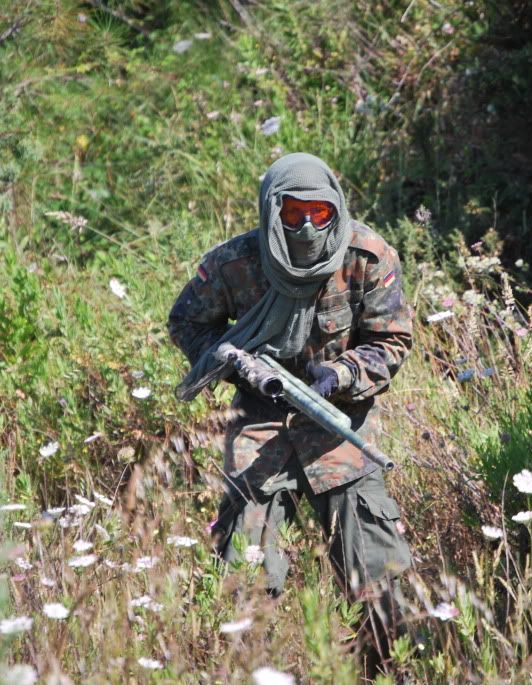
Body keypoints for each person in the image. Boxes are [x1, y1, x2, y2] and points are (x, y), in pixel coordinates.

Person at [168, 152, 413, 669]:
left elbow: (392, 341)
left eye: (319, 214)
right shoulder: (234, 263)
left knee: (379, 578)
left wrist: (340, 375)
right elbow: (188, 322)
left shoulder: (366, 255)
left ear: (336, 209)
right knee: (244, 581)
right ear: (271, 211)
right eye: (292, 213)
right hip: (259, 425)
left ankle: (382, 674)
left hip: (339, 427)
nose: (305, 225)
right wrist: (237, 364)